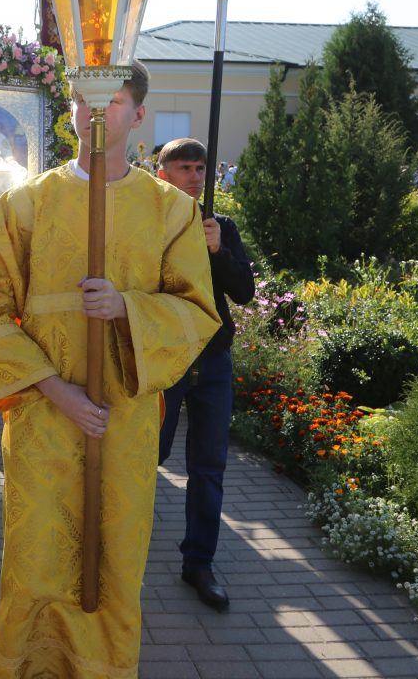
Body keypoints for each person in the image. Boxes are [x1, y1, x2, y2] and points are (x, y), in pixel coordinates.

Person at [0, 61, 220, 675]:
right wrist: (56, 390)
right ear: (69, 109)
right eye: (82, 99)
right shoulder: (25, 205)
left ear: (138, 115)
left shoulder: (170, 212)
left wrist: (127, 308)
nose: (95, 113)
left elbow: (197, 311)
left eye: (114, 101)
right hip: (41, 420)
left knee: (115, 563)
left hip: (122, 422)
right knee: (36, 562)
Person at [155, 137, 255, 612]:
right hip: (166, 359)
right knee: (145, 454)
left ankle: (199, 561)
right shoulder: (149, 226)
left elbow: (245, 293)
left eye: (200, 168)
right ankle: (116, 549)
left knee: (208, 467)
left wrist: (219, 252)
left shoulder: (221, 226)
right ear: (163, 174)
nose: (195, 176)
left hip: (213, 361)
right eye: (184, 168)